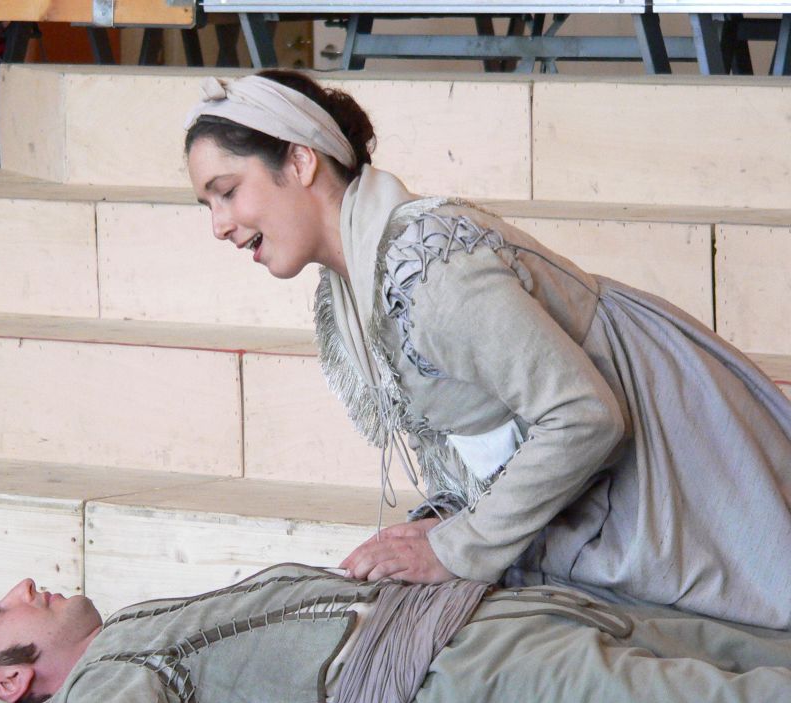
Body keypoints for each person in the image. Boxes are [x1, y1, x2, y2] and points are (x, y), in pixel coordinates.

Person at [183, 71, 791, 629]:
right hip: (609, 480)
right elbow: (469, 432)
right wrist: (445, 519)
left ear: (300, 160)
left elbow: (585, 415)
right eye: (208, 205)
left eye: (227, 191)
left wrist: (459, 547)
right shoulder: (354, 287)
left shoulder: (428, 270)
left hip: (671, 460)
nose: (218, 226)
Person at [0, 565, 791, 703]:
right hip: (463, 691)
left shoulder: (125, 633)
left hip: (483, 623)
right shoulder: (99, 690)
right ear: (11, 682)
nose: (22, 587)